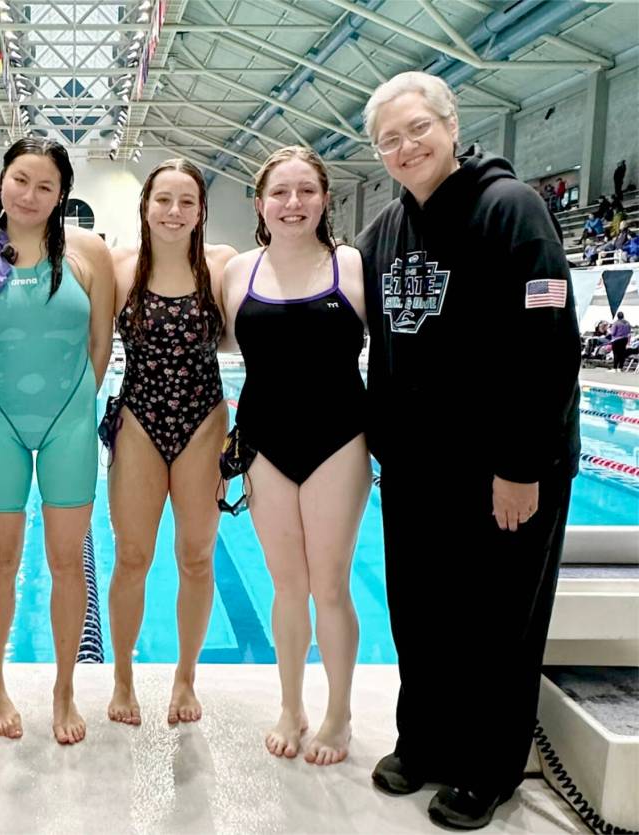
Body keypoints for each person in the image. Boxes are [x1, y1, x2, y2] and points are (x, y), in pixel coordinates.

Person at [357, 72, 580, 830]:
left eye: (418, 128)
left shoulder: (510, 210)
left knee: (497, 621)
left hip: (502, 470)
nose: (405, 146)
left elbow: (548, 344)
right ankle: (424, 743)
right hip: (416, 471)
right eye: (389, 139)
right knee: (420, 614)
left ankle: (489, 769)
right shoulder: (386, 228)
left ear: (451, 126)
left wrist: (522, 464)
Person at [0, 138, 114, 744]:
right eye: (21, 179)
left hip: (69, 420)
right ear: (1, 179)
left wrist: (75, 404)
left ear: (62, 194)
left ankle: (65, 689)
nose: (30, 195)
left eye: (45, 186)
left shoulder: (88, 252)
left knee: (68, 563)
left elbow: (101, 346)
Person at [221, 146, 370, 766]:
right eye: (280, 192)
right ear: (259, 203)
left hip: (339, 440)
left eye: (306, 190)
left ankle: (338, 711)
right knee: (288, 585)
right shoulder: (236, 272)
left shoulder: (353, 264)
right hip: (263, 443)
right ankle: (291, 704)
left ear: (325, 199)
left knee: (330, 585)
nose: (293, 203)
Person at [103, 159, 236, 727]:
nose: (174, 211)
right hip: (139, 420)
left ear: (202, 209)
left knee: (197, 557)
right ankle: (123, 678)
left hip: (204, 421)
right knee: (132, 557)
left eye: (187, 201)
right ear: (146, 206)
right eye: (164, 200)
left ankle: (185, 678)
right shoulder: (120, 267)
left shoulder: (222, 265)